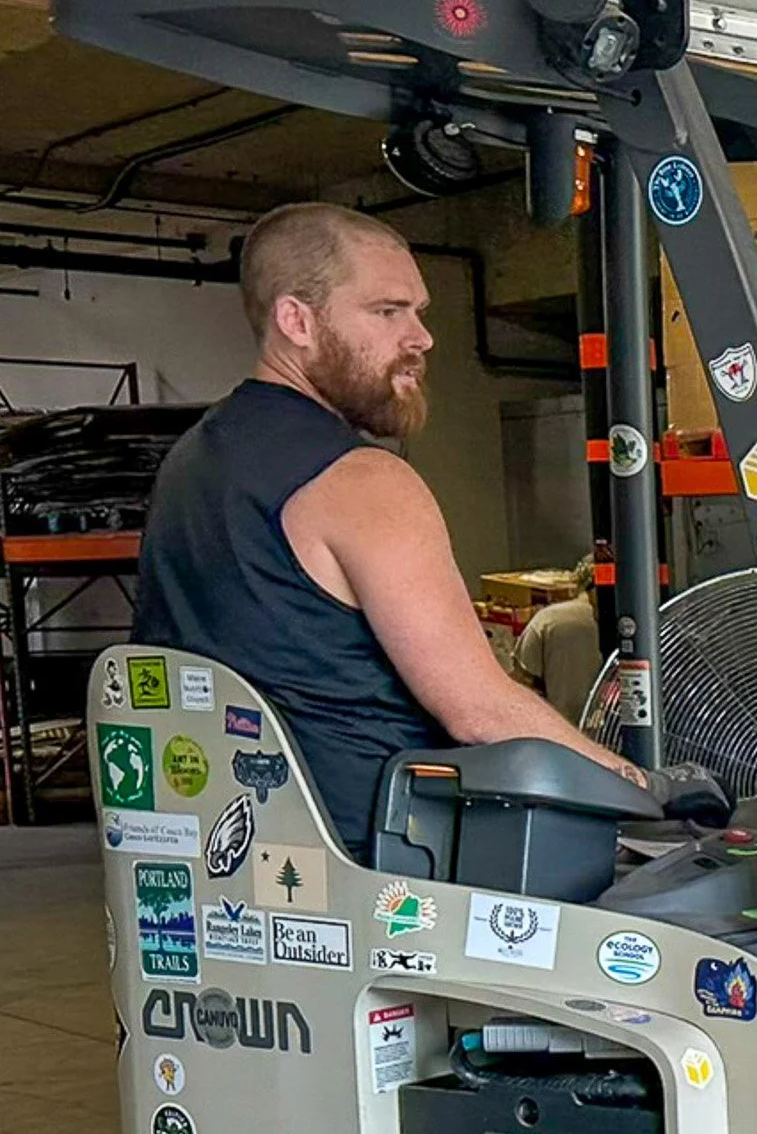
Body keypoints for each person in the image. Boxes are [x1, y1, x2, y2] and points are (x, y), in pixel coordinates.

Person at [133, 201, 711, 858]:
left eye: (420, 311)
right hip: (379, 868)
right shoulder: (362, 481)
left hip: (224, 857)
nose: (422, 337)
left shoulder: (189, 464)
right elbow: (479, 711)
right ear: (297, 320)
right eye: (387, 312)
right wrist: (644, 791)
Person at [511, 559, 603, 724]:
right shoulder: (645, 624)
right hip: (611, 734)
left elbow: (523, 683)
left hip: (559, 734)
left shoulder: (548, 620)